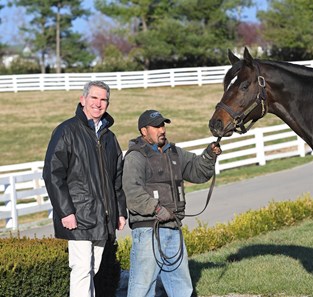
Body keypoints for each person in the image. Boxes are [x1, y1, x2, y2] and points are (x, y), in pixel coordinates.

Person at [122, 109, 222, 297]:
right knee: (142, 289)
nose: (162, 130)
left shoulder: (174, 153)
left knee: (181, 287)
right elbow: (132, 192)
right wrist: (157, 209)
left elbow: (197, 171)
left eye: (163, 125)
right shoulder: (135, 157)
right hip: (148, 230)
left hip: (173, 228)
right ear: (144, 131)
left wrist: (209, 155)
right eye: (156, 126)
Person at [42, 81, 127, 297]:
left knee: (93, 268)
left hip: (103, 215)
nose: (98, 104)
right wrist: (66, 211)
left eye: (103, 99)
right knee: (81, 269)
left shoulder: (109, 137)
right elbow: (53, 173)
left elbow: (117, 178)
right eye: (94, 98)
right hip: (78, 215)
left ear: (107, 104)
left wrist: (120, 212)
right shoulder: (66, 131)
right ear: (83, 100)